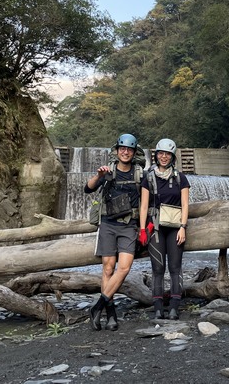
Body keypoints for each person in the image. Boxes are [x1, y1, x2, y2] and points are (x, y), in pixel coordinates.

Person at [84, 133, 143, 331]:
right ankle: (110, 314)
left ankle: (97, 307)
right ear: (117, 151)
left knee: (124, 268)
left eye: (129, 149)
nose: (125, 152)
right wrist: (99, 175)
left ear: (134, 153)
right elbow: (88, 188)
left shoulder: (139, 174)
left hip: (128, 226)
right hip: (108, 225)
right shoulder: (107, 172)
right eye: (122, 149)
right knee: (108, 269)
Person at [138, 138, 190, 320]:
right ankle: (158, 308)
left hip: (175, 227)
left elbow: (185, 204)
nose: (164, 157)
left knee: (175, 268)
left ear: (172, 156)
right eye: (161, 153)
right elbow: (143, 206)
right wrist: (143, 229)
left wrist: (183, 227)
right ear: (156, 155)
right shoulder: (148, 178)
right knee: (158, 268)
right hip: (156, 228)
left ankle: (175, 307)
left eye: (167, 154)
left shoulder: (180, 178)